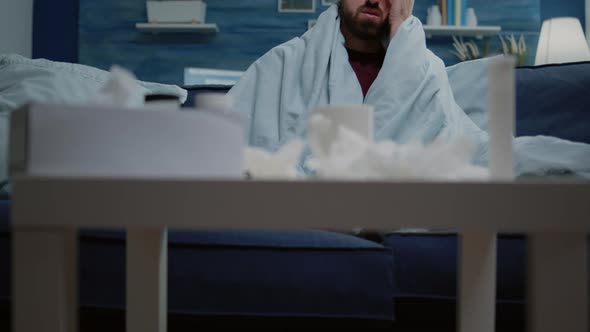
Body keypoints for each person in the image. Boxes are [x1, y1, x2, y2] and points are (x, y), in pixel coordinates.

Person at [228, 0, 590, 179]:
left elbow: (455, 144)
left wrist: (402, 30)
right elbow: (222, 140)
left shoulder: (424, 70)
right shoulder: (285, 62)